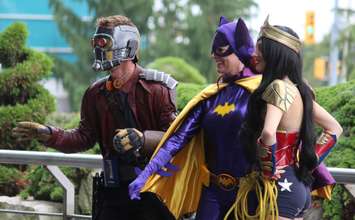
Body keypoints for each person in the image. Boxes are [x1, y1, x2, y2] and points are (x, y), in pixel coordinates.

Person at [12, 15, 178, 220]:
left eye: (106, 42)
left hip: (154, 191)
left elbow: (177, 139)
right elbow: (84, 137)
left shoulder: (158, 89)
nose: (100, 48)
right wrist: (48, 134)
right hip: (113, 194)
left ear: (128, 46)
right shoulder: (95, 93)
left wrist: (143, 139)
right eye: (97, 43)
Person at [128, 16, 262, 220]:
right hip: (212, 191)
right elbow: (177, 139)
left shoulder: (262, 92)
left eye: (222, 50)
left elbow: (285, 134)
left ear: (241, 50)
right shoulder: (210, 96)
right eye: (213, 51)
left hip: (248, 193)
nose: (214, 56)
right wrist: (147, 174)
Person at [233, 16, 343, 220]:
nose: (254, 55)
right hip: (296, 185)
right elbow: (334, 128)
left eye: (260, 49)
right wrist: (307, 162)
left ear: (273, 54)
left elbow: (268, 132)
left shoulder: (278, 88)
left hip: (279, 188)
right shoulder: (299, 90)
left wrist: (269, 169)